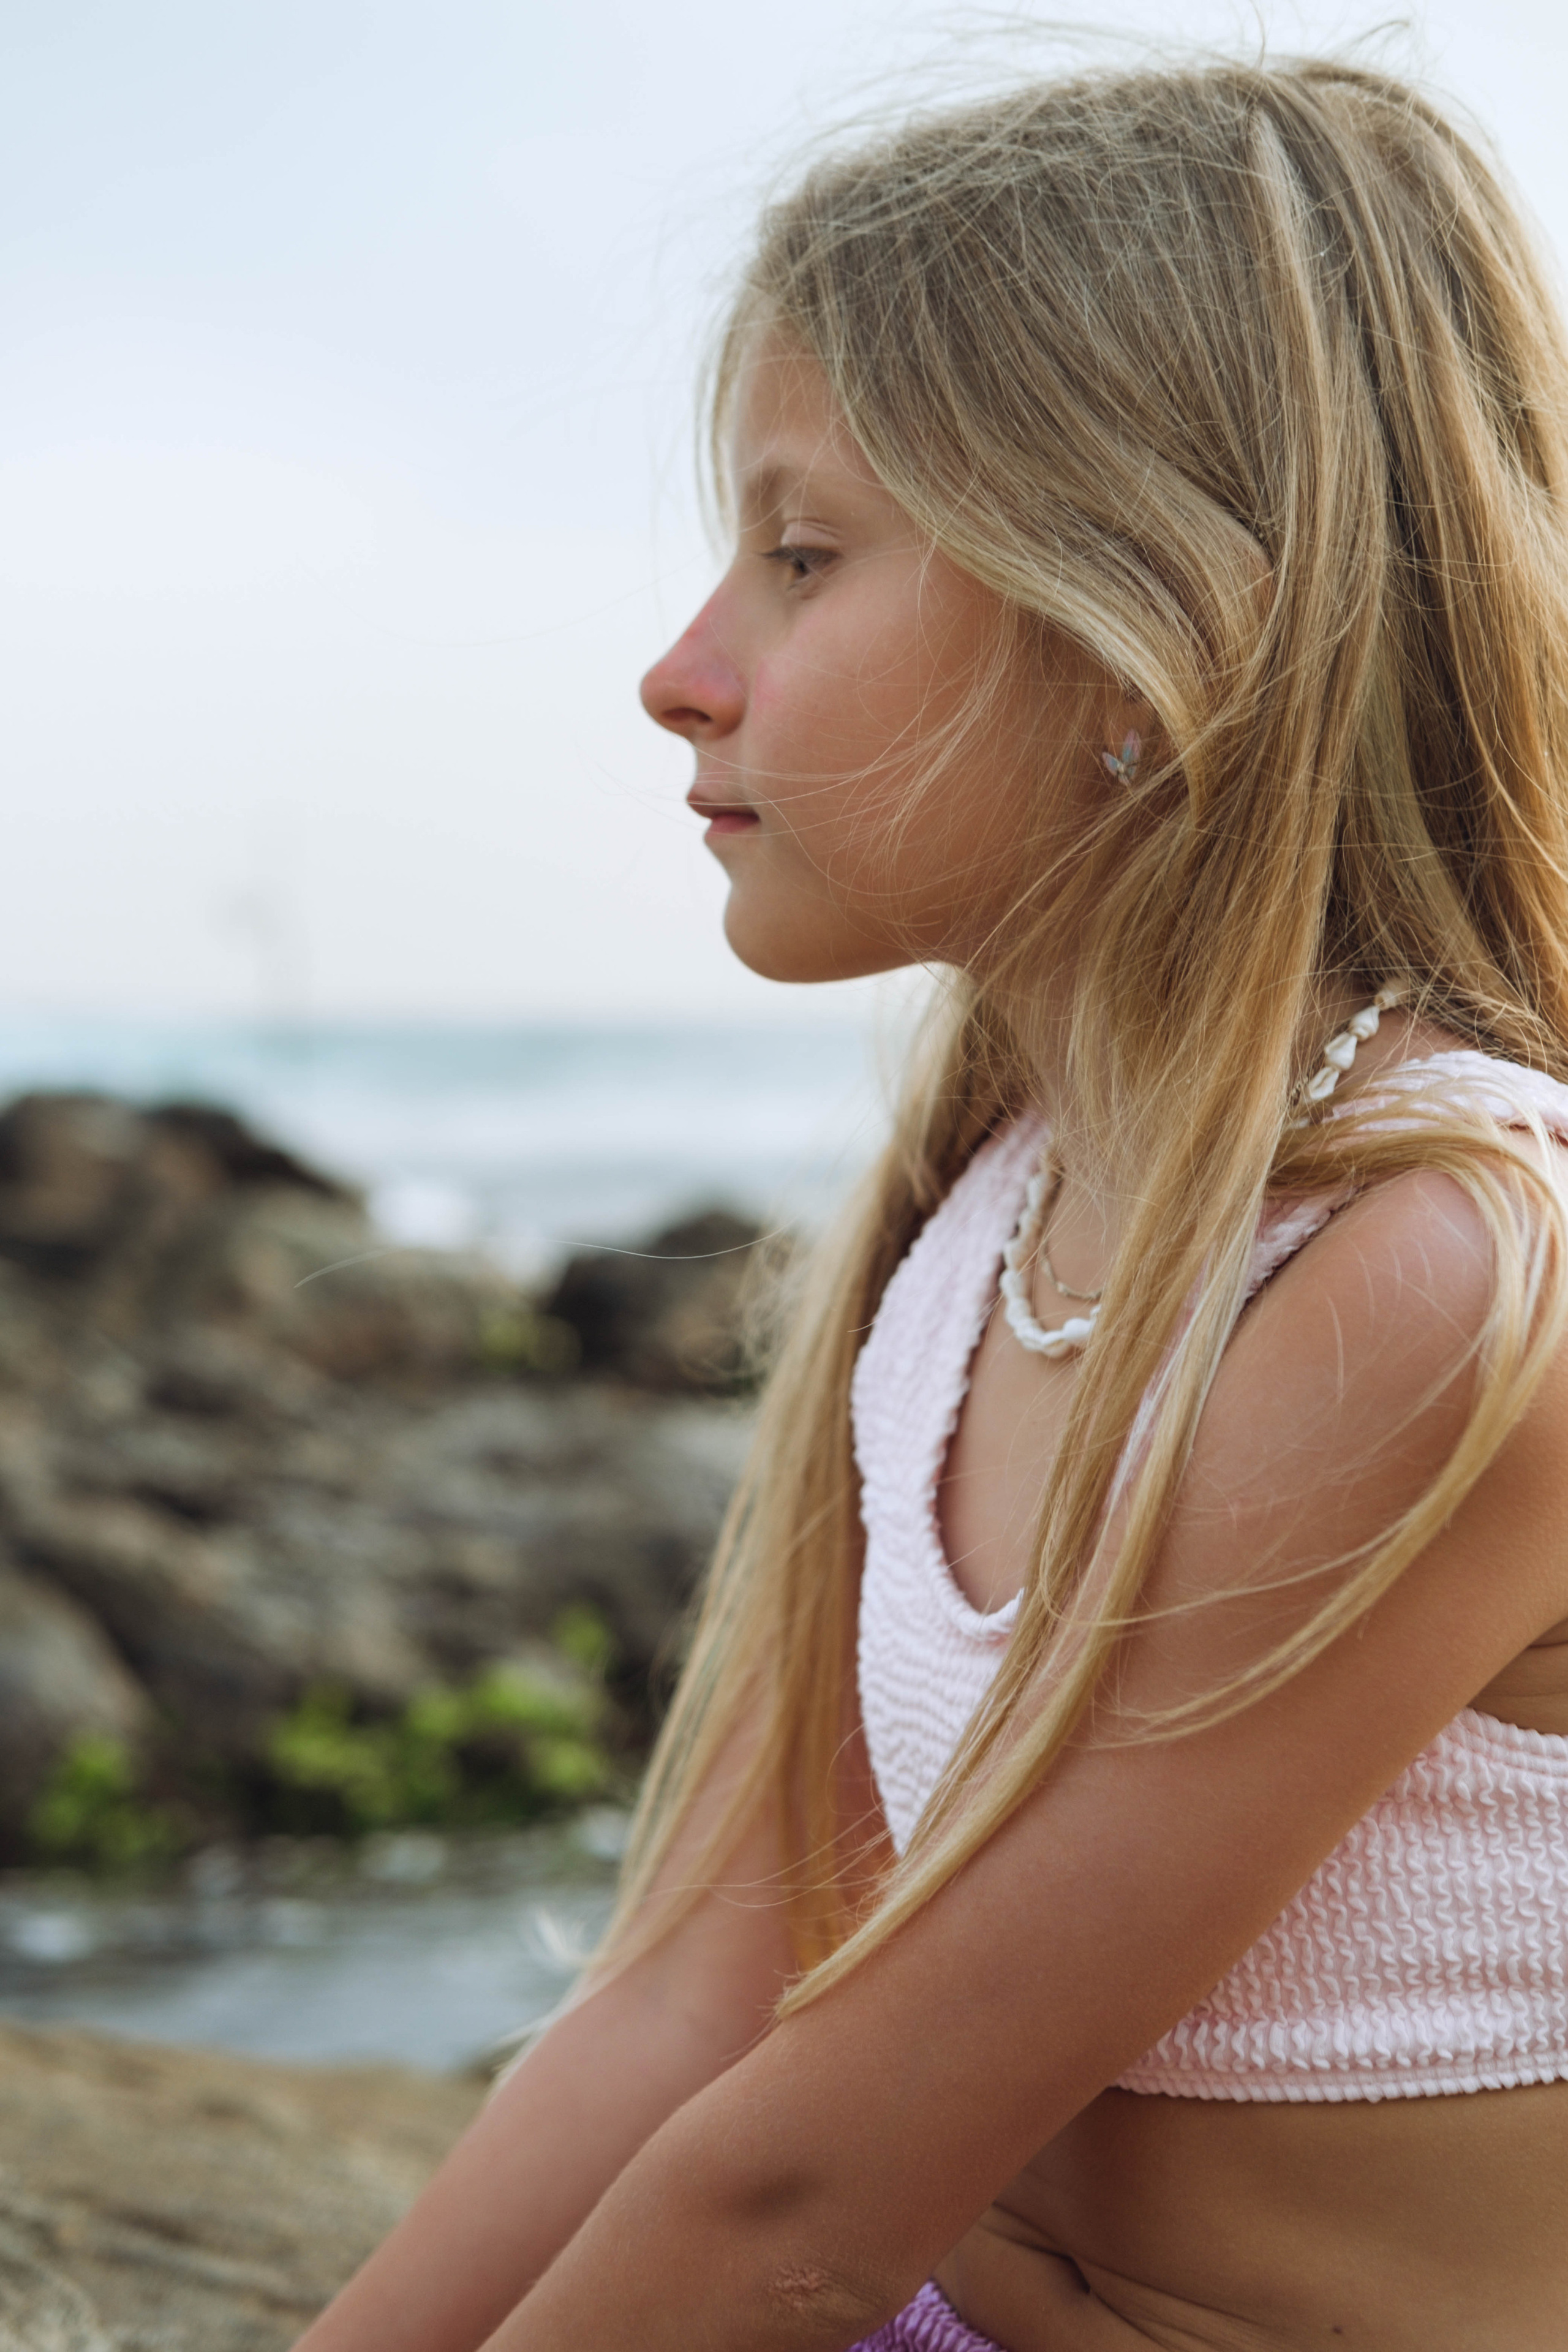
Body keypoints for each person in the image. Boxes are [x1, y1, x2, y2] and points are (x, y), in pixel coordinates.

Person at [295, 55, 1568, 2352]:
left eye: (801, 556)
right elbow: (698, 1997)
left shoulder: (1439, 1279)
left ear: (1149, 627)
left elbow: (790, 2202)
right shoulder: (987, 1199)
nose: (682, 672)